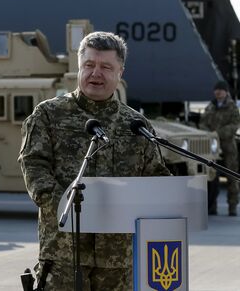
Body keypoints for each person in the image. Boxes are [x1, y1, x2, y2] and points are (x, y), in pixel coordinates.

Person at [18, 31, 171, 290]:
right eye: (89, 65)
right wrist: (67, 207)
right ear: (79, 67)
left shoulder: (136, 124)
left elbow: (155, 175)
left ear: (120, 72)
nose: (95, 73)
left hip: (119, 258)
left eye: (106, 67)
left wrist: (177, 196)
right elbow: (33, 166)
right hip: (64, 252)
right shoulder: (49, 115)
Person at [200, 80, 240, 216]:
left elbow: (235, 125)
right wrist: (209, 133)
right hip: (212, 147)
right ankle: (212, 206)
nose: (218, 92)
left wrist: (218, 133)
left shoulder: (232, 107)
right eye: (216, 90)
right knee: (212, 176)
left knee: (231, 176)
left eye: (221, 90)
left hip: (228, 146)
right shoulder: (210, 106)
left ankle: (232, 206)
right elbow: (202, 122)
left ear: (226, 92)